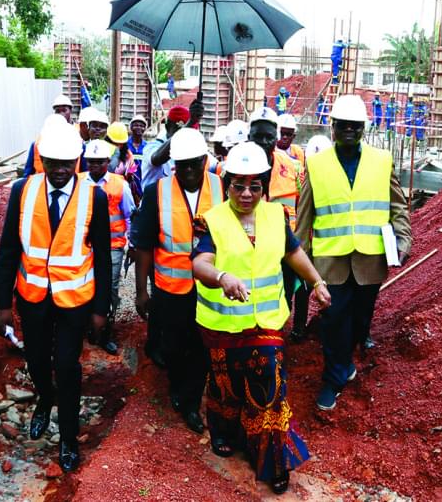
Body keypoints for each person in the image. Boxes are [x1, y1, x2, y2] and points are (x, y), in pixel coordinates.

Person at [191, 142, 331, 495]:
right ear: (228, 185)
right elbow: (200, 263)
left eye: (255, 185)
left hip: (267, 323)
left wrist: (316, 281)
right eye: (239, 184)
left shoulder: (275, 217)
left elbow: (293, 252)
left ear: (265, 185)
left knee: (269, 388)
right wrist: (223, 278)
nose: (247, 193)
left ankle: (273, 459)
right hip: (222, 326)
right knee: (226, 383)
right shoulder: (214, 220)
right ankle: (224, 431)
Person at [0, 123, 111, 474]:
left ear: (77, 160)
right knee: (37, 360)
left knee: (67, 366)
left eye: (66, 163)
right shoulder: (22, 191)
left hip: (75, 300)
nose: (59, 171)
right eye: (52, 163)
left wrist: (101, 309)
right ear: (41, 159)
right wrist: (2, 305)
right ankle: (45, 398)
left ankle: (68, 438)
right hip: (32, 297)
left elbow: (102, 256)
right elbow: (10, 249)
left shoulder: (95, 197)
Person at [294, 95, 413, 412]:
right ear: (332, 127)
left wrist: (403, 239)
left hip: (369, 259)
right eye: (342, 125)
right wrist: (302, 266)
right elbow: (304, 218)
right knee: (333, 320)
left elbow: (398, 206)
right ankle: (333, 378)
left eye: (354, 126)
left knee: (360, 319)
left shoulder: (381, 161)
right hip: (330, 262)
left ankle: (348, 359)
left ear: (363, 128)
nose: (348, 130)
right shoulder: (316, 165)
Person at [134, 128, 223, 434]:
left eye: (193, 164)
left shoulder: (221, 188)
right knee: (172, 347)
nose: (187, 171)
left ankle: (189, 402)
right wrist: (141, 291)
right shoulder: (156, 192)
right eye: (181, 165)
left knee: (200, 347)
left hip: (208, 288)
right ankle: (175, 383)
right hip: (171, 289)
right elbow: (144, 245)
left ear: (204, 160)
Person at [247, 107, 307, 340]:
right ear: (248, 137)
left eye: (268, 137)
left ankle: (274, 341)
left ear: (276, 136)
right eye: (257, 137)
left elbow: (302, 207)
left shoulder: (293, 168)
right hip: (249, 251)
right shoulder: (234, 169)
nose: (263, 142)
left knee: (283, 302)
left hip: (284, 250)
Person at [83, 139, 135, 355]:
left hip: (113, 246)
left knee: (109, 288)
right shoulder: (78, 183)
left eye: (99, 162)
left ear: (107, 162)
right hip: (84, 248)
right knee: (85, 286)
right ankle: (86, 327)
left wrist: (131, 243)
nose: (95, 166)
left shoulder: (119, 184)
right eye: (91, 162)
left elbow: (130, 216)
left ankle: (106, 332)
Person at [140, 100, 203, 189]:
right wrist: (190, 123)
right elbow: (157, 158)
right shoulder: (152, 147)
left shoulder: (190, 151)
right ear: (167, 127)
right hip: (155, 201)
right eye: (181, 131)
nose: (184, 137)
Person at [24, 114, 88, 177]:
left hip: (72, 184)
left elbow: (85, 172)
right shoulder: (36, 145)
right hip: (41, 184)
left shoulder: (78, 146)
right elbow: (28, 172)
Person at [127, 115, 148, 182]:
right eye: (136, 125)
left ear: (144, 128)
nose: (139, 127)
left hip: (143, 180)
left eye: (141, 126)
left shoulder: (147, 147)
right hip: (128, 180)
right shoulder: (125, 145)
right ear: (131, 127)